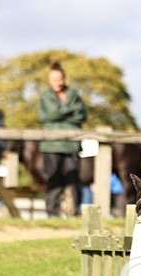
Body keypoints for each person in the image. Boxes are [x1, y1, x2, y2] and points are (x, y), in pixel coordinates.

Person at [38, 61, 87, 217]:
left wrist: (58, 114)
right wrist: (69, 111)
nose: (56, 83)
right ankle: (52, 212)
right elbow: (48, 115)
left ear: (63, 79)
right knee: (53, 180)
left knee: (72, 180)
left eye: (59, 79)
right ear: (49, 80)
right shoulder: (46, 96)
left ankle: (73, 211)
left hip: (71, 144)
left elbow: (81, 115)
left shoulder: (73, 95)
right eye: (53, 79)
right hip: (51, 145)